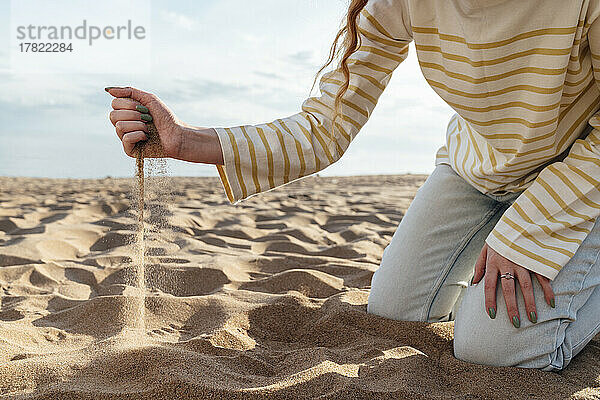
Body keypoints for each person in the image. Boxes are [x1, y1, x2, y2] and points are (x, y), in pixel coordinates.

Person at [106, 0, 600, 371]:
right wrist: (183, 140)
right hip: (477, 168)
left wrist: (527, 233)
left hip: (578, 178)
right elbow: (325, 128)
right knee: (395, 312)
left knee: (492, 349)